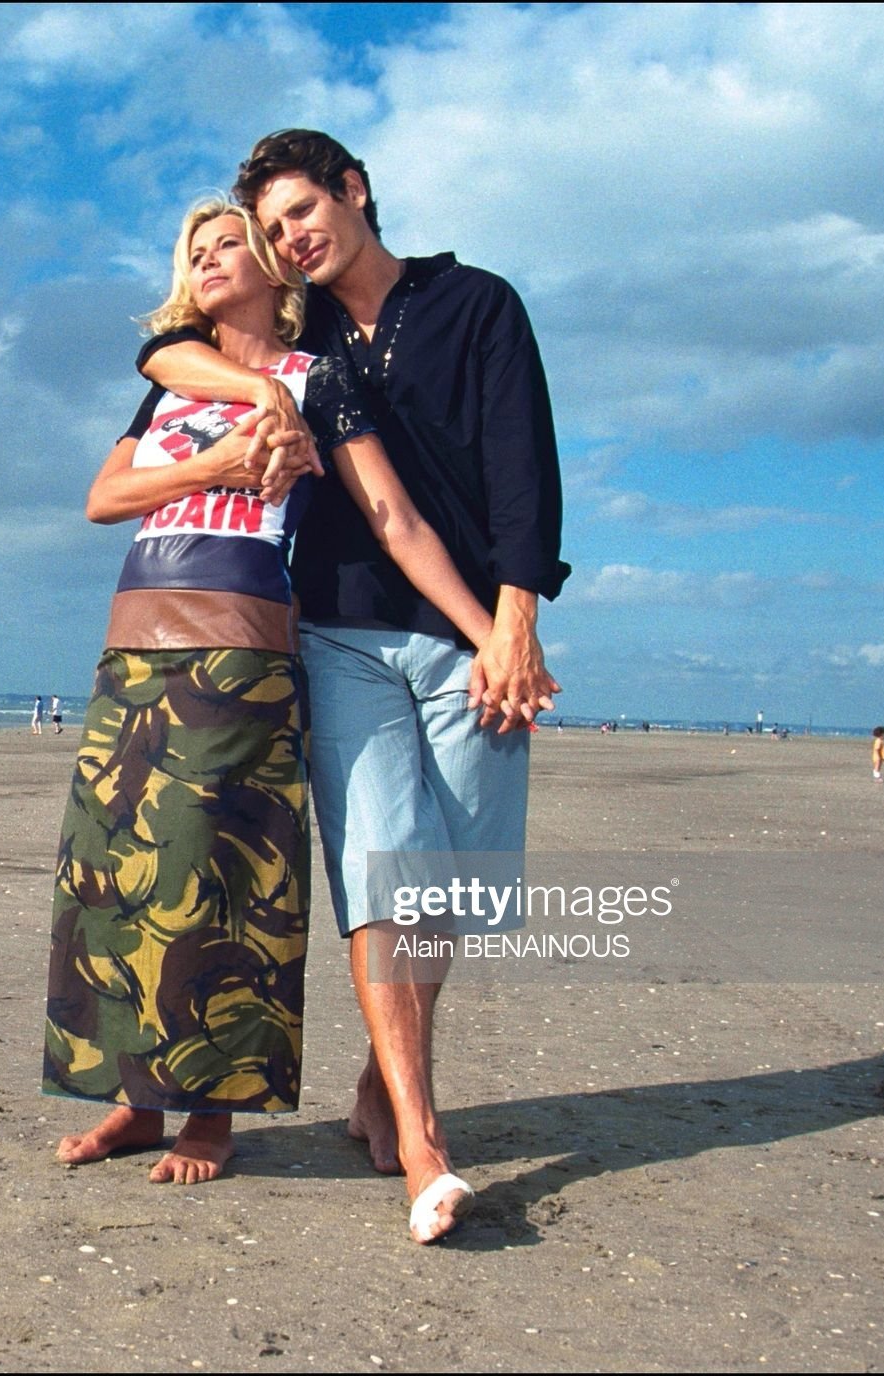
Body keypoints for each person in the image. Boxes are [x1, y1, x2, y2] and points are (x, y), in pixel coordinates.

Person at [138, 131, 568, 1243]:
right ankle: (423, 1139)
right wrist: (259, 391)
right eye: (273, 228)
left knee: (456, 879)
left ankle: (383, 1080)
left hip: (472, 629)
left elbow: (523, 468)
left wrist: (511, 625)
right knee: (386, 872)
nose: (290, 239)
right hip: (338, 632)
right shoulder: (301, 335)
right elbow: (170, 351)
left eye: (302, 213)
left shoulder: (476, 305)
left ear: (354, 191)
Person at [47, 198, 500, 1195]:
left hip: (242, 642)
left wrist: (490, 631)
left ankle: (210, 1113)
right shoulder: (174, 375)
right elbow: (102, 498)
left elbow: (392, 518)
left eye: (227, 246)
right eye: (195, 251)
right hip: (135, 638)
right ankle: (136, 1099)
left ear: (267, 265)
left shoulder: (318, 379)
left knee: (214, 878)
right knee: (114, 872)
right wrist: (222, 455)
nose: (209, 260)